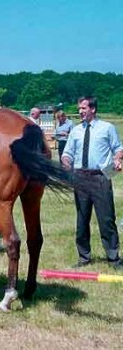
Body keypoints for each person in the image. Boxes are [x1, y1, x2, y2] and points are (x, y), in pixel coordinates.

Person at [62, 96, 123, 270]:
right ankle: (83, 257)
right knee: (82, 220)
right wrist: (66, 162)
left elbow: (118, 148)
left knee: (106, 218)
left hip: (100, 178)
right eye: (79, 108)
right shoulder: (75, 131)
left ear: (93, 109)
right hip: (80, 178)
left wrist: (118, 159)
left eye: (83, 108)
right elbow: (68, 153)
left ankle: (113, 258)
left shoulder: (107, 128)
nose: (80, 111)